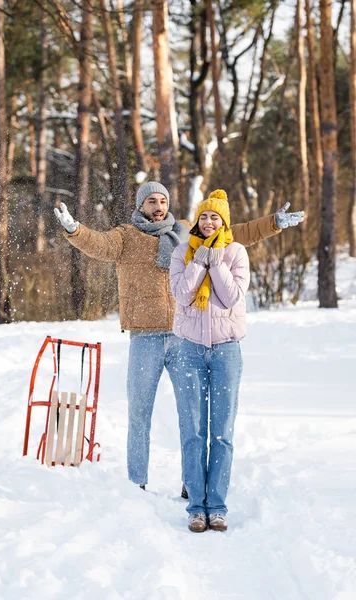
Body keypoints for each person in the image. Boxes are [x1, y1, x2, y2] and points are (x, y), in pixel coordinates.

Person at [54, 181, 304, 494]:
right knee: (139, 413)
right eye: (152, 202)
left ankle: (191, 483)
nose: (159, 206)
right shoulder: (125, 237)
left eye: (163, 200)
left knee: (191, 416)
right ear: (141, 206)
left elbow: (234, 234)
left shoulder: (187, 231)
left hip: (185, 337)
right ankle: (137, 483)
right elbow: (98, 244)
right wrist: (74, 229)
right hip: (144, 338)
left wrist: (273, 223)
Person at [170, 189, 249, 532]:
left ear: (225, 222)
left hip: (226, 350)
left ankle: (217, 506)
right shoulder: (181, 253)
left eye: (215, 216)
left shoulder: (236, 252)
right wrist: (199, 260)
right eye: (204, 216)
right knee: (192, 431)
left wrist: (216, 263)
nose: (208, 221)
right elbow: (182, 294)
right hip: (188, 349)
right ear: (198, 220)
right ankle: (196, 508)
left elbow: (232, 296)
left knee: (222, 433)